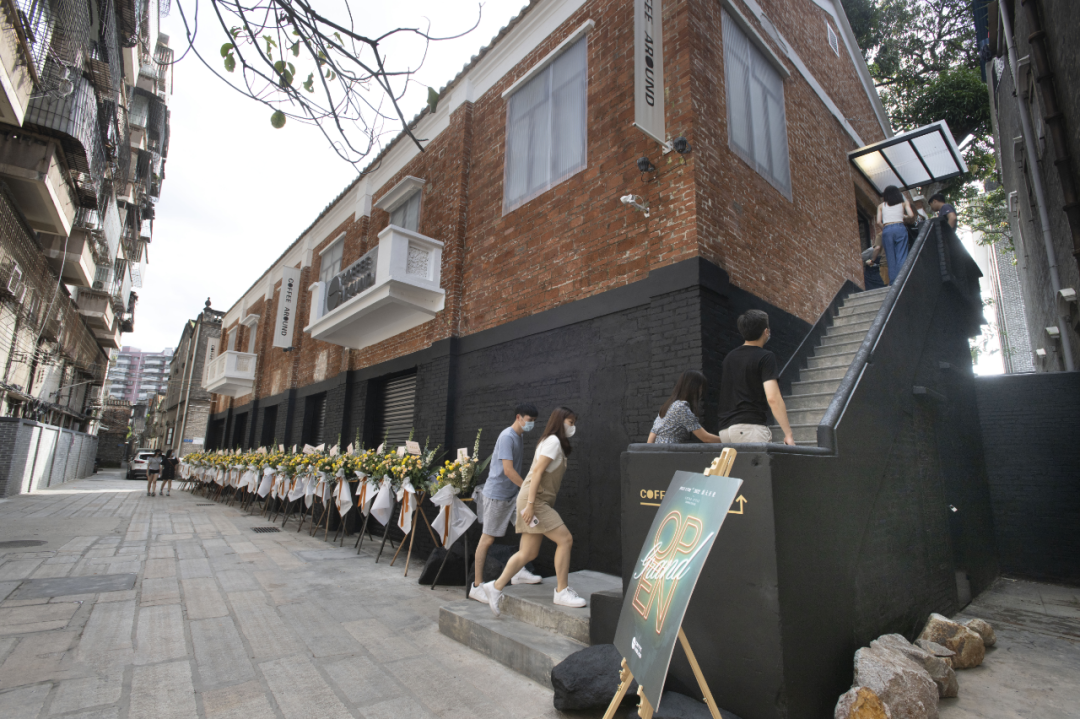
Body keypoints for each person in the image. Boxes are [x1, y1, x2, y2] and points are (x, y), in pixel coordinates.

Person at [482, 407, 586, 615]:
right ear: (560, 422)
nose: (573, 427)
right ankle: (561, 591)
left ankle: (494, 587)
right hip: (535, 501)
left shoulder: (551, 441)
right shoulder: (553, 441)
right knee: (565, 540)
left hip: (535, 500)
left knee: (528, 552)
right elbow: (537, 472)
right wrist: (530, 505)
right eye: (570, 422)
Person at [469, 404, 543, 603]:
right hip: (497, 496)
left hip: (513, 495)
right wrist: (528, 488)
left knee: (530, 526)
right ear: (519, 417)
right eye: (529, 420)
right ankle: (476, 586)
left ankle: (518, 571)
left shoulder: (519, 436)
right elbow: (508, 471)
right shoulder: (507, 437)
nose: (531, 424)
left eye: (534, 421)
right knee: (487, 539)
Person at [717, 310, 796, 446]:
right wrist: (788, 434)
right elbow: (773, 398)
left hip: (725, 431)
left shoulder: (729, 358)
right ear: (766, 331)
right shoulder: (765, 357)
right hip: (749, 429)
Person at [647, 370, 723, 443]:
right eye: (701, 387)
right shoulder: (681, 408)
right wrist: (727, 441)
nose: (701, 391)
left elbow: (652, 436)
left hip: (659, 450)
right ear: (694, 387)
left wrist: (649, 451)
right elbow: (705, 438)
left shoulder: (668, 406)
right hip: (670, 450)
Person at [869, 185, 915, 283]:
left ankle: (893, 281)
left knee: (890, 257)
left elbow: (878, 222)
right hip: (900, 227)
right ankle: (902, 279)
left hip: (887, 229)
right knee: (901, 255)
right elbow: (911, 215)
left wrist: (885, 229)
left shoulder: (881, 206)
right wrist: (904, 216)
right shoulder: (903, 203)